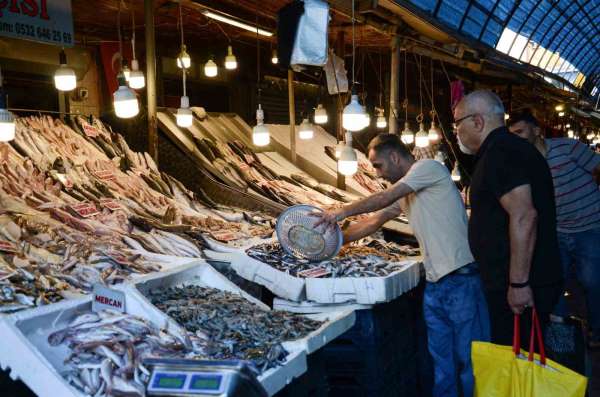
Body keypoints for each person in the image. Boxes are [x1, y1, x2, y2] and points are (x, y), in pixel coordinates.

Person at [314, 133, 489, 397]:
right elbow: (375, 220)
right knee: (441, 364)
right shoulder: (408, 189)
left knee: (470, 360)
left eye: (378, 166)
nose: (378, 174)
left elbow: (385, 198)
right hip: (435, 284)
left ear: (395, 157)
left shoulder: (427, 169)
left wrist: (341, 211)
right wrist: (333, 241)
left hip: (461, 279)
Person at [453, 91, 563, 348]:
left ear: (478, 122)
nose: (456, 131)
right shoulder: (508, 149)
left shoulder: (501, 152)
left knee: (522, 366)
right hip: (520, 282)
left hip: (522, 287)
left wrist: (519, 283)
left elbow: (524, 215)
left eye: (458, 123)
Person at [508, 111, 600, 348]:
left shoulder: (568, 148)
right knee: (555, 283)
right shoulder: (523, 163)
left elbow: (598, 168)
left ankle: (596, 330)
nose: (516, 138)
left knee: (591, 282)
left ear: (537, 130)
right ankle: (562, 341)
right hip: (557, 231)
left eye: (520, 131)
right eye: (512, 135)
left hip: (588, 227)